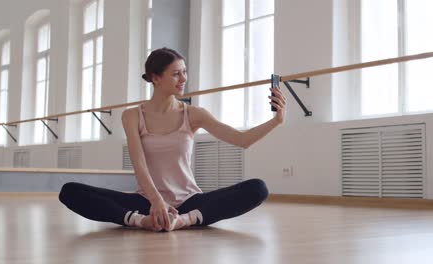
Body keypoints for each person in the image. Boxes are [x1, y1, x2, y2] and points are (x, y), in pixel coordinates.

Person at [59, 47, 287, 232]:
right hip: (146, 200)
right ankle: (141, 221)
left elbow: (242, 140)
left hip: (189, 201)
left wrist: (277, 120)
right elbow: (139, 165)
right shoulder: (132, 116)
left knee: (257, 188)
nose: (183, 79)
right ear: (155, 78)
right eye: (176, 73)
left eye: (185, 72)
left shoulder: (194, 114)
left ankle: (185, 220)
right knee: (70, 191)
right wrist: (156, 202)